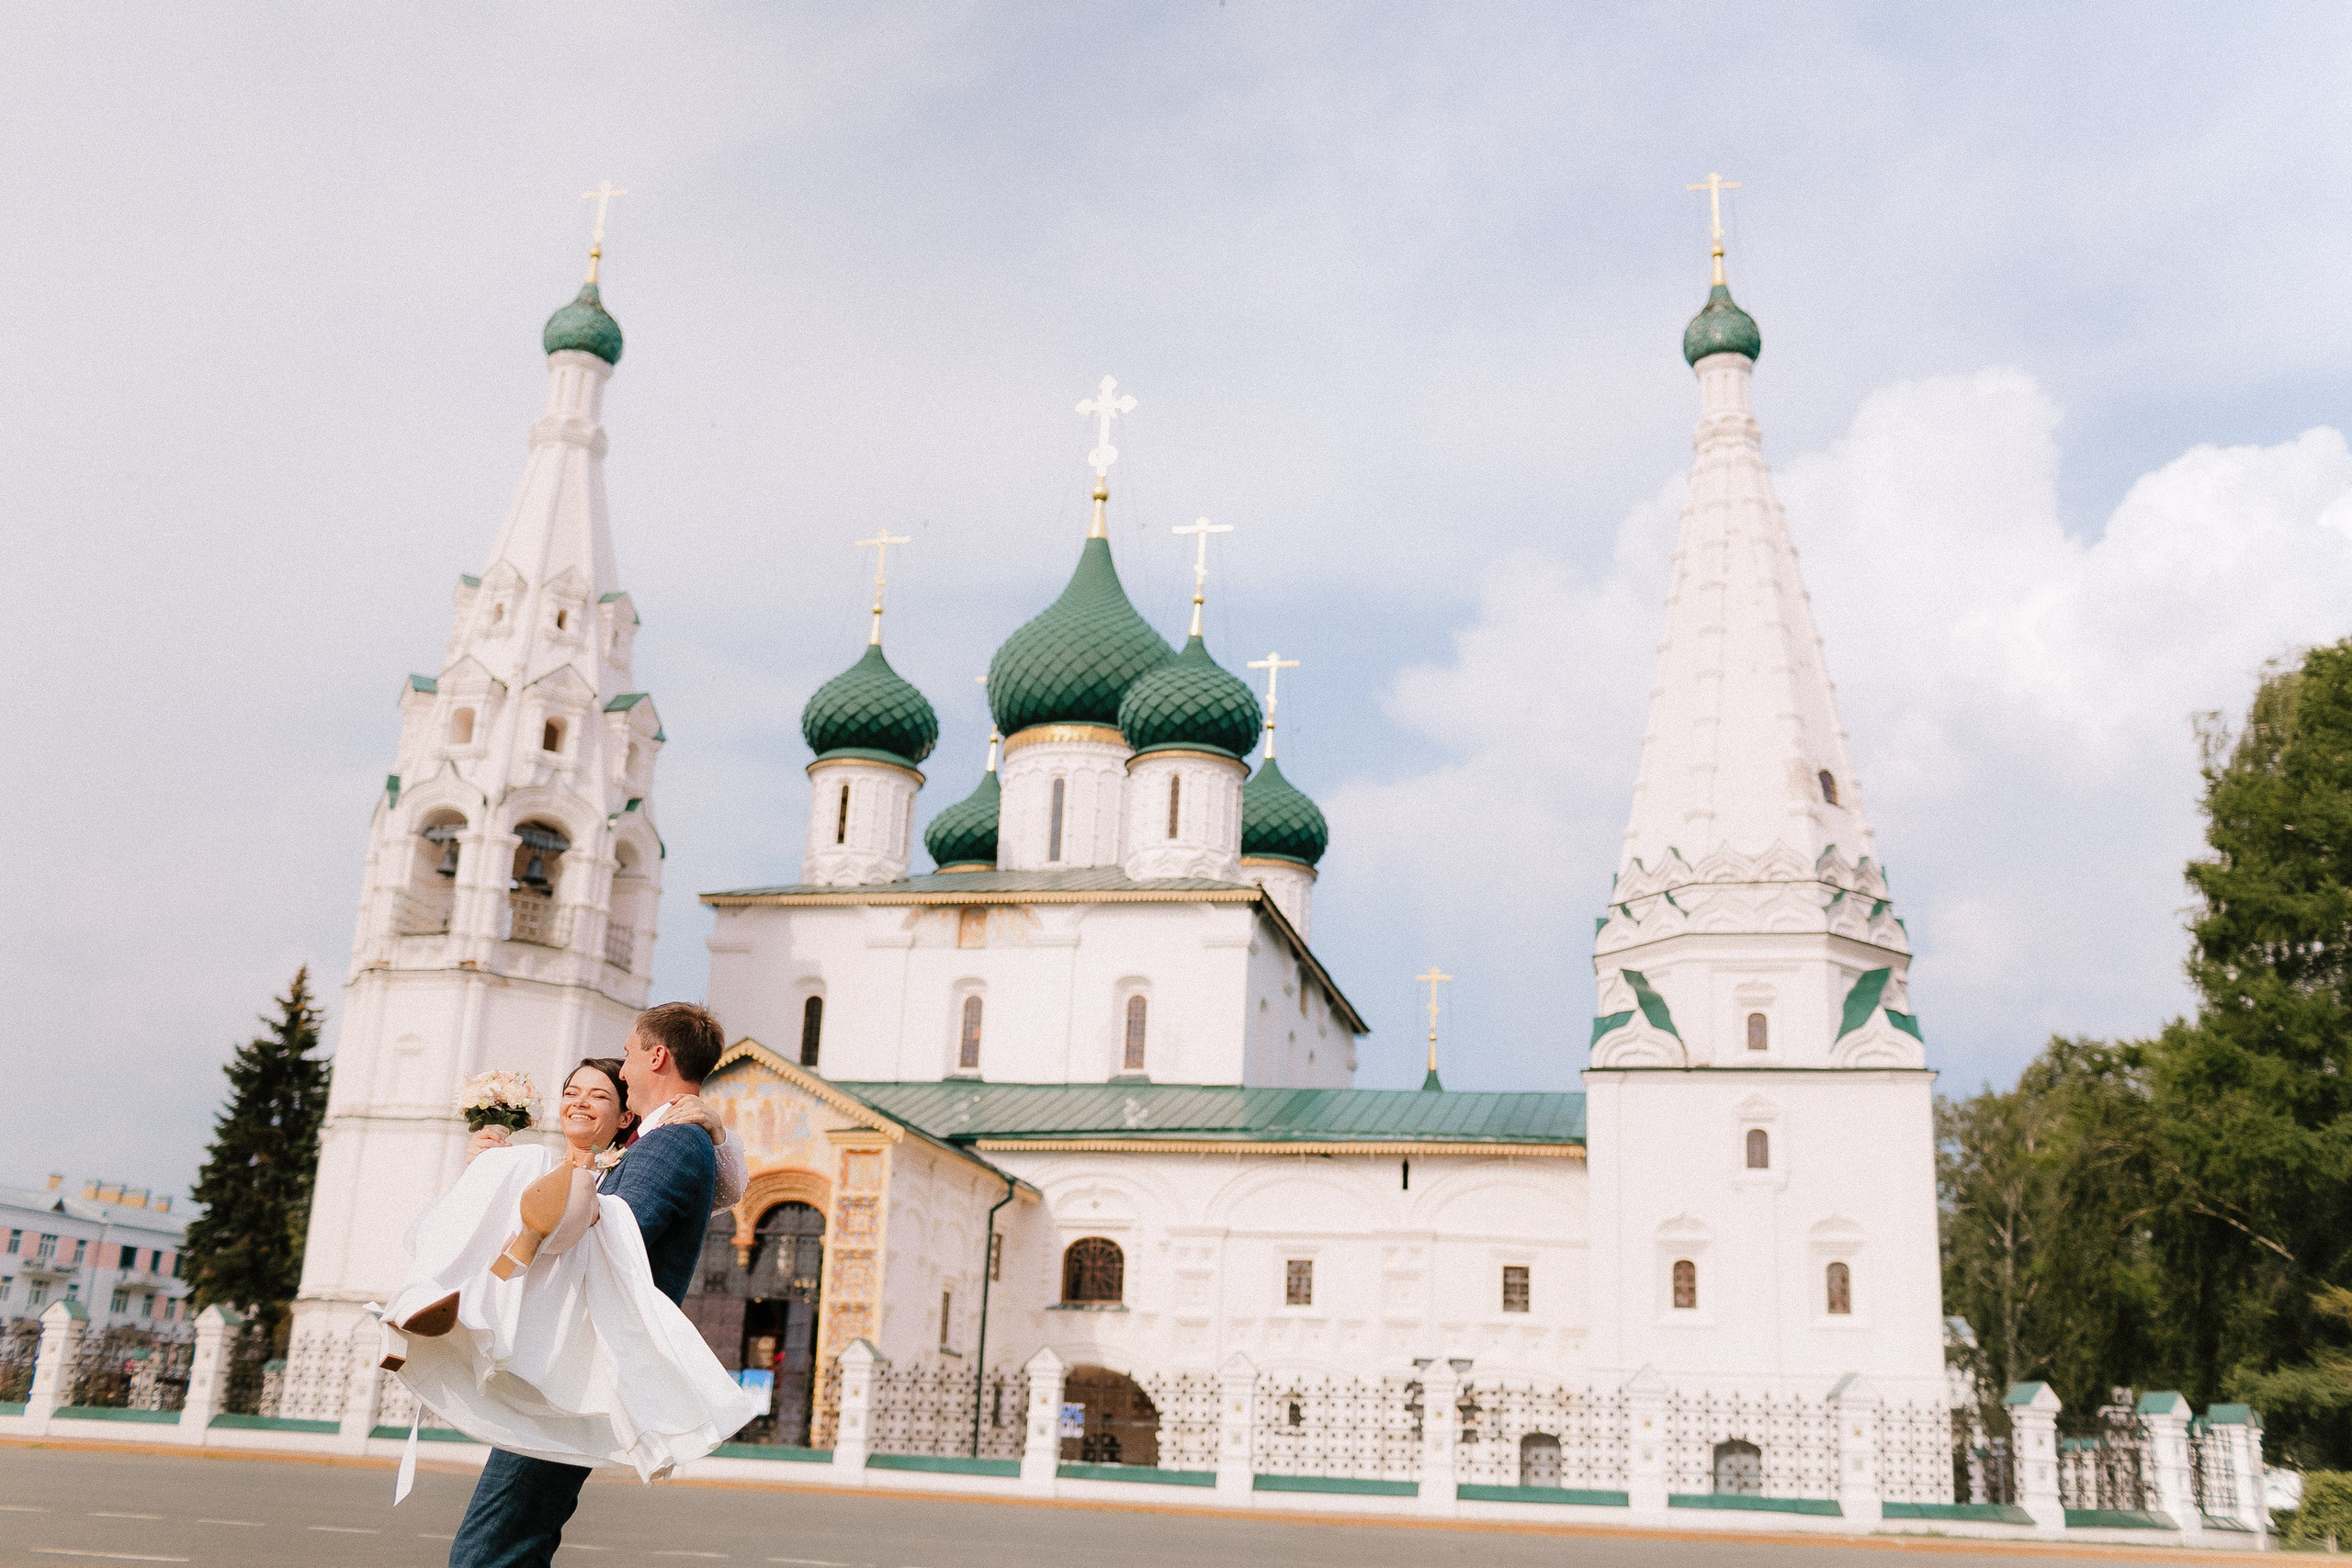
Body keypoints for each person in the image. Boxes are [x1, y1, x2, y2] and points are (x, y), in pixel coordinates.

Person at [381, 1003, 754, 1568]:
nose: (624, 1070)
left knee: (495, 1545)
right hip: (575, 1357)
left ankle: (439, 1303)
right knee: (512, 1535)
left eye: (629, 1054)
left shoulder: (674, 1141)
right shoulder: (664, 1138)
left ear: (656, 1055)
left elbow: (614, 1236)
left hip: (584, 1361)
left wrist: (517, 1181)